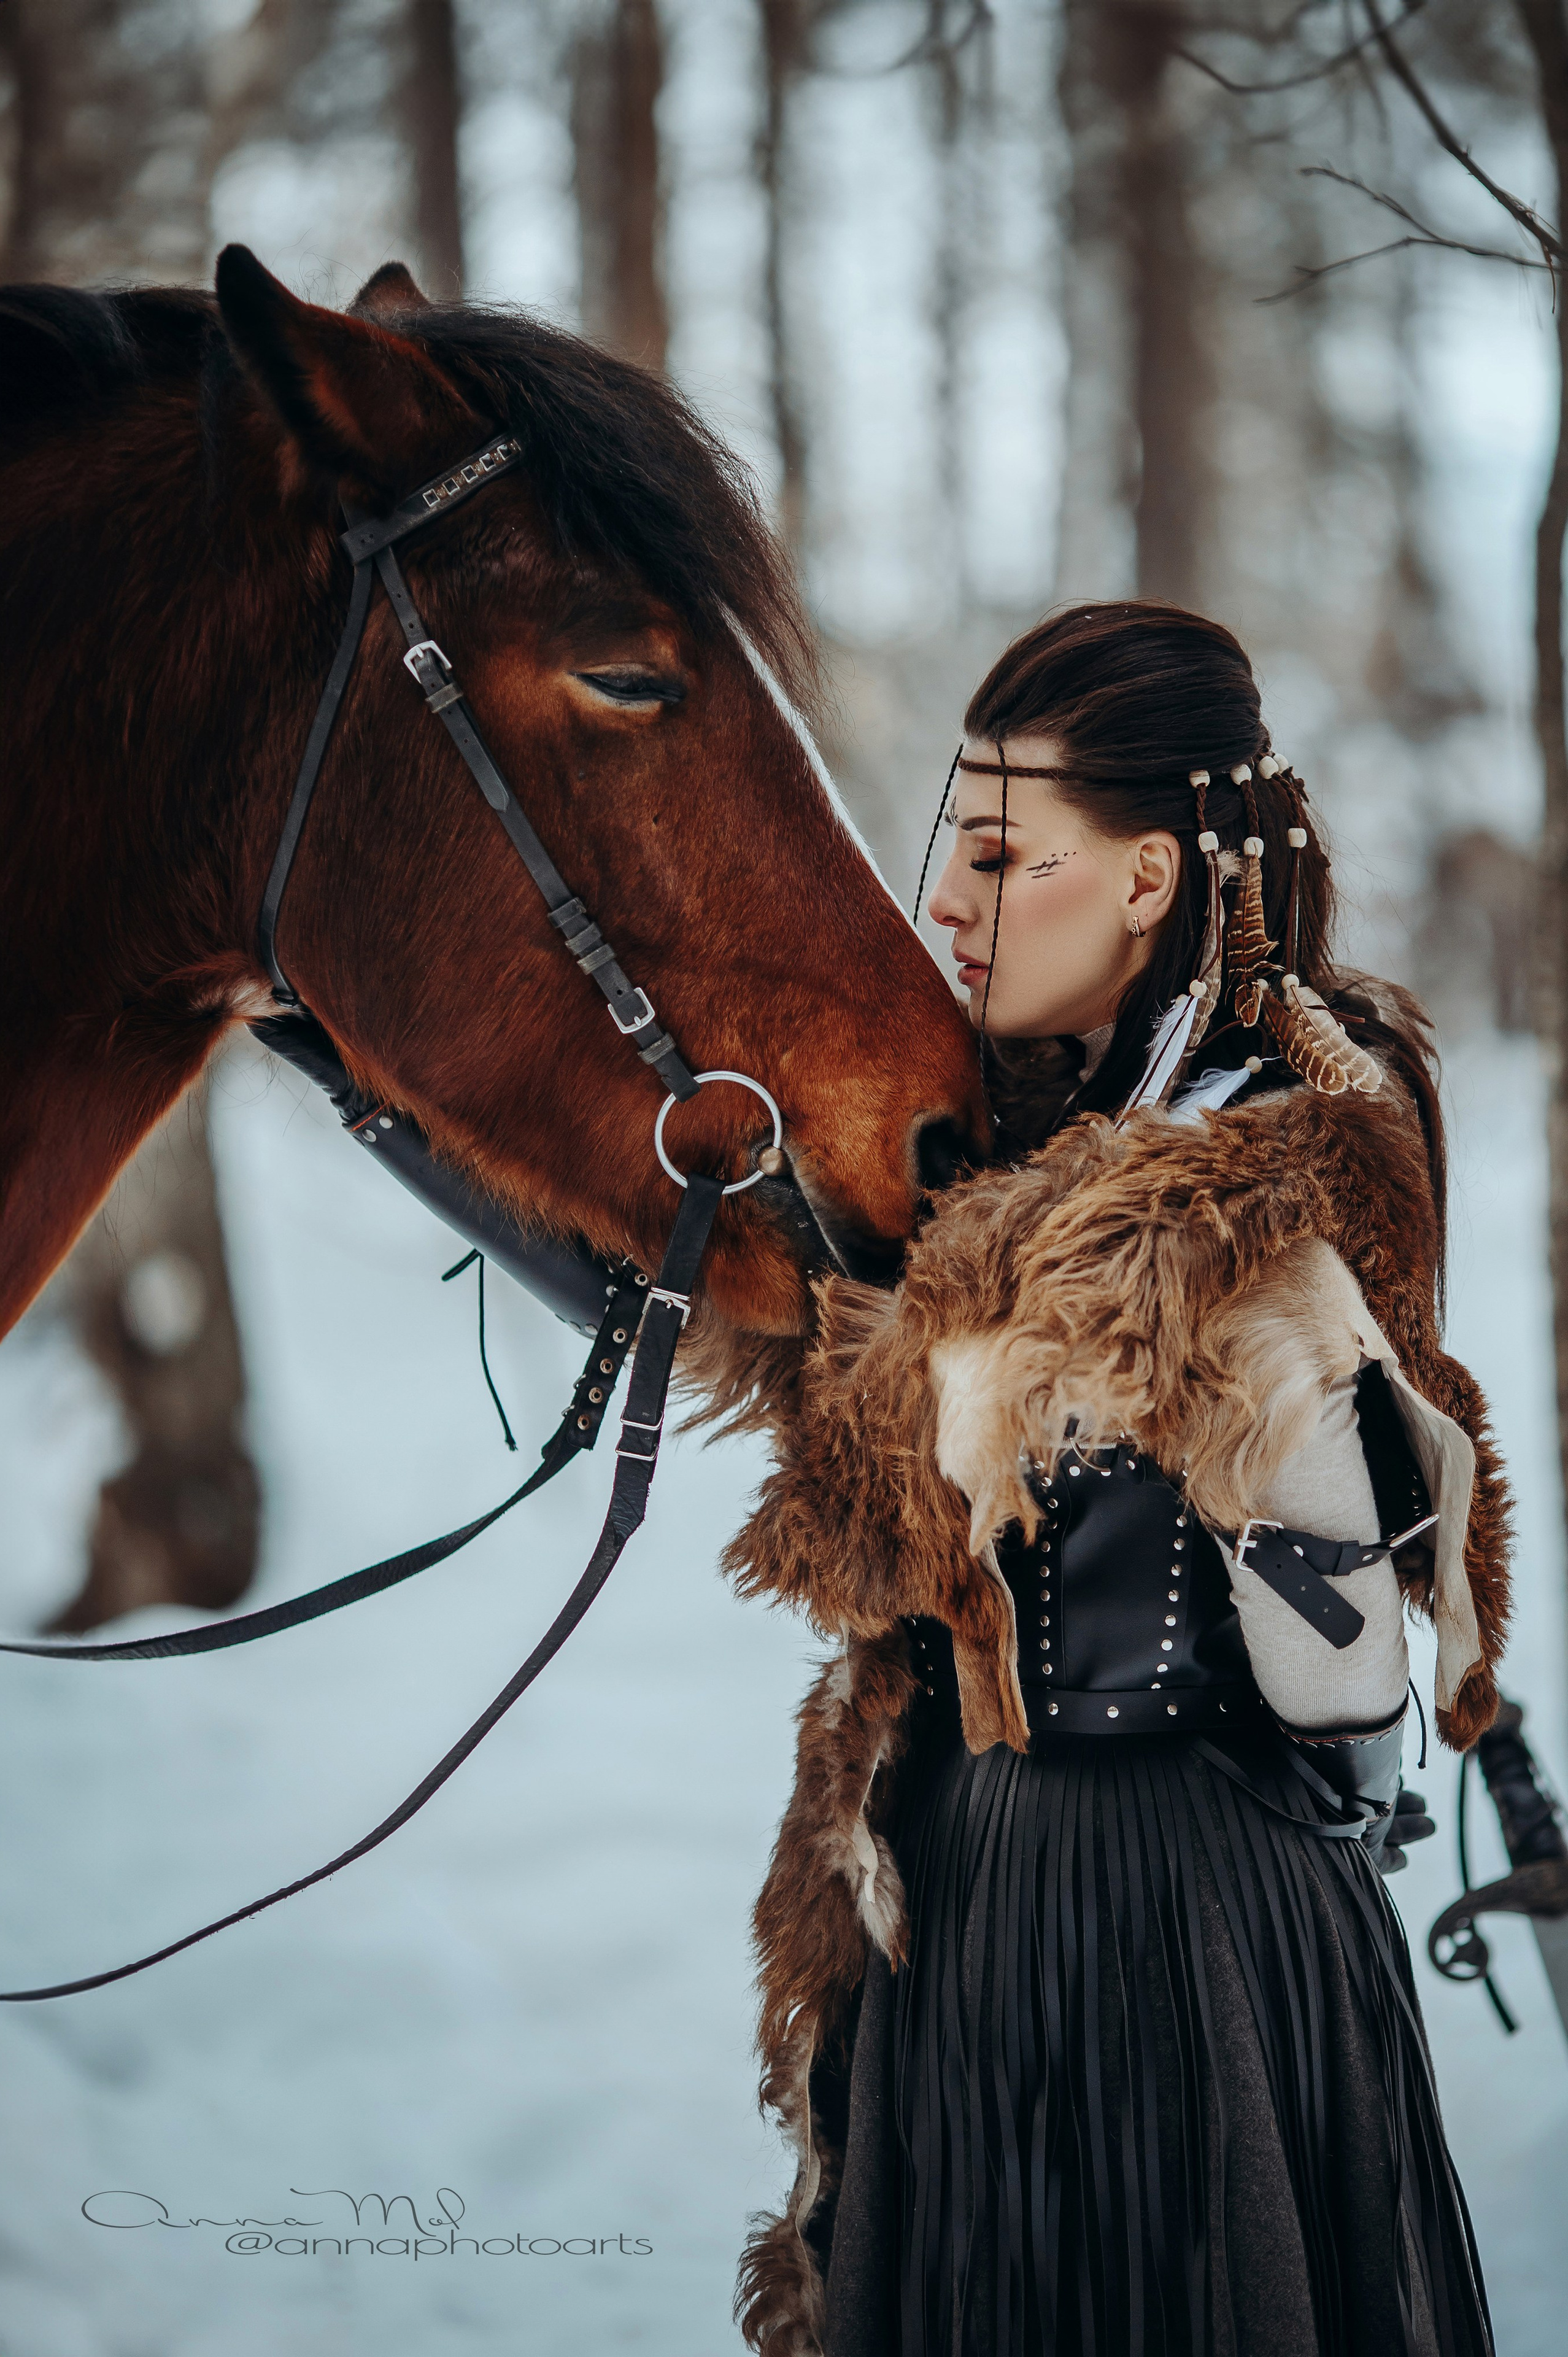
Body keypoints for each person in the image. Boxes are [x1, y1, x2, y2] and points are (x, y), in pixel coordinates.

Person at [727, 603, 1508, 2357]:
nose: (948, 900)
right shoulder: (998, 1137)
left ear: (1148, 878)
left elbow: (987, 1329)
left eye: (1004, 855)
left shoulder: (1281, 1159)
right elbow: (852, 1344)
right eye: (958, 847)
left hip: (1188, 1919)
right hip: (964, 1895)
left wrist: (862, 1268)